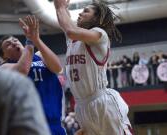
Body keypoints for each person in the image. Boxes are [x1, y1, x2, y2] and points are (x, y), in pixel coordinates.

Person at [54, 0, 132, 135]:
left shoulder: (99, 34)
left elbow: (70, 30)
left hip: (101, 102)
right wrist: (60, 7)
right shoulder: (73, 40)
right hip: (81, 106)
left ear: (96, 18)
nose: (80, 13)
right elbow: (66, 25)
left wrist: (60, 7)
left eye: (86, 11)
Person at [0, 15, 66, 135]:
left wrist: (36, 39)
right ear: (4, 56)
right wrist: (30, 41)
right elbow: (23, 70)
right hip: (29, 126)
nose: (13, 43)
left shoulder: (40, 55)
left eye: (15, 40)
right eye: (8, 44)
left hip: (54, 123)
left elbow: (58, 68)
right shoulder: (5, 67)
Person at [0, 65, 51, 135]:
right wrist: (29, 53)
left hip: (49, 119)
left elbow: (59, 69)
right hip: (38, 118)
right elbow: (23, 71)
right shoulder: (9, 77)